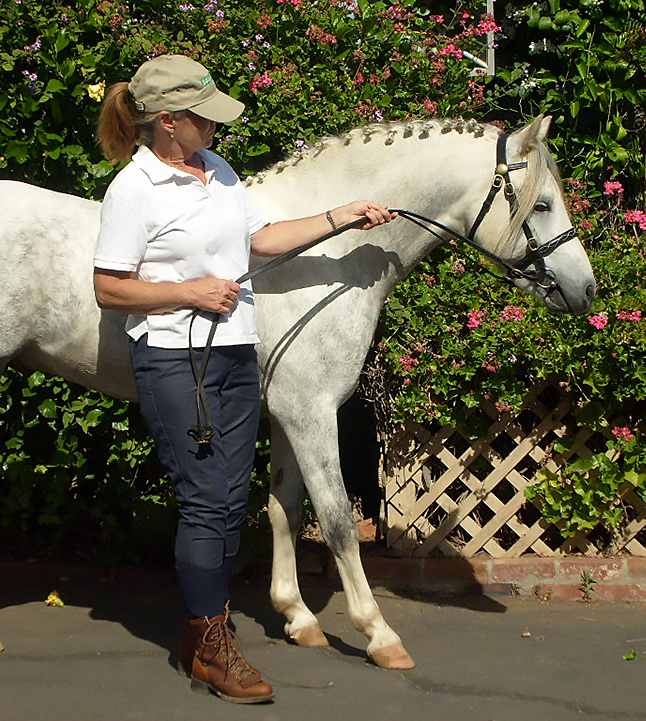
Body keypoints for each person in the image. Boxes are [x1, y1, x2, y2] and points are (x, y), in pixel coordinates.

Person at [93, 53, 393, 704]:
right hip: (176, 358)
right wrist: (188, 291)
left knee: (231, 501)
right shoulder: (134, 189)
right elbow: (108, 288)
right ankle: (213, 645)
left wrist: (343, 216)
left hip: (235, 353)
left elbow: (262, 237)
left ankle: (201, 633)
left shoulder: (219, 171)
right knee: (206, 501)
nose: (215, 127)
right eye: (203, 117)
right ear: (168, 120)